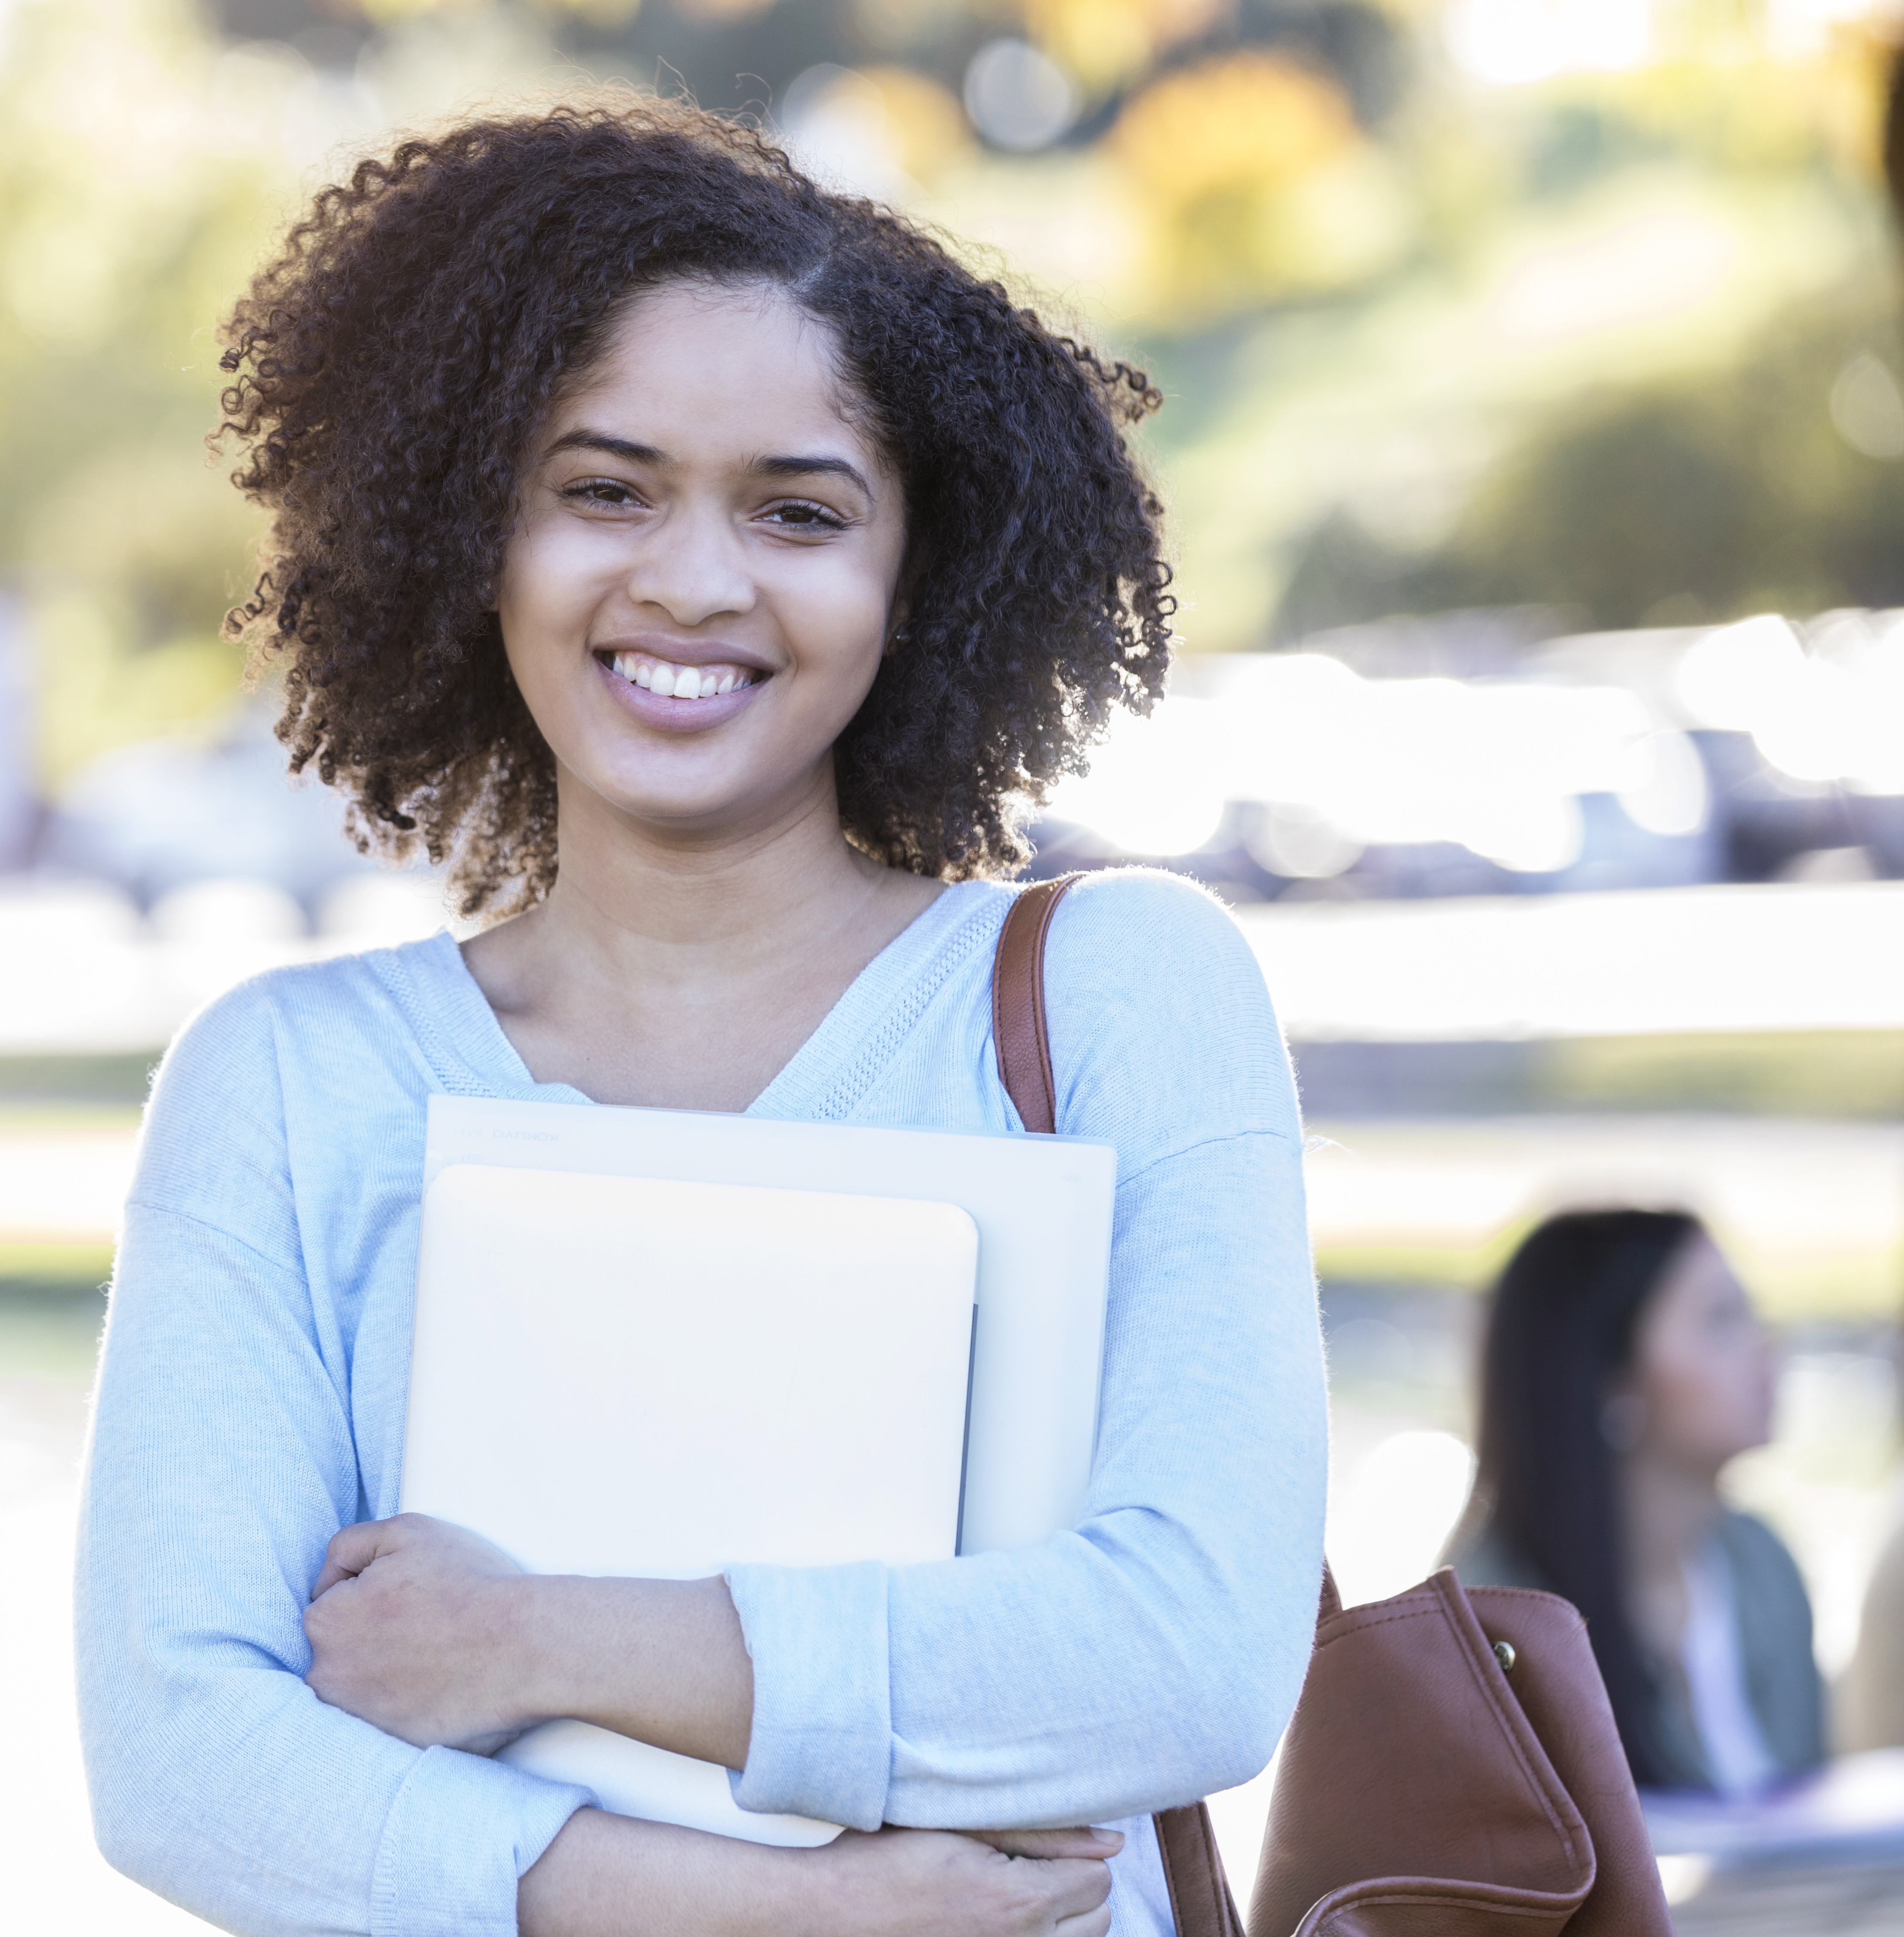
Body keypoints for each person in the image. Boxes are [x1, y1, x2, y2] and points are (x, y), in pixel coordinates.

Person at [73, 100, 1327, 1937]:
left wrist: (529, 1635)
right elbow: (186, 1755)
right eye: (605, 488)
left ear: (919, 576)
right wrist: (815, 1913)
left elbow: (1188, 1657)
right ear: (468, 528)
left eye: (798, 512)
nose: (692, 580)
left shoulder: (1123, 994)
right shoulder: (287, 1088)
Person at [1448, 1207, 1824, 1797]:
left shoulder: (1762, 1564)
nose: (1765, 1348)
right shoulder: (1493, 1618)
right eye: (1721, 1320)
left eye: (1754, 1314)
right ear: (1610, 1380)